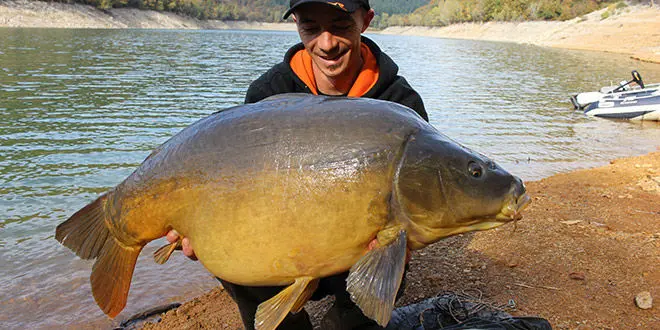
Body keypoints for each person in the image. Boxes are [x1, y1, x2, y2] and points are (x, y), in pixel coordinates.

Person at [166, 0, 428, 328]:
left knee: (389, 263)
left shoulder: (400, 104)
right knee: (232, 256)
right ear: (295, 24)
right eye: (311, 27)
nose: (327, 43)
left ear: (366, 20)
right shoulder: (268, 93)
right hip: (280, 246)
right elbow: (238, 185)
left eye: (341, 25)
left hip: (357, 252)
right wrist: (196, 222)